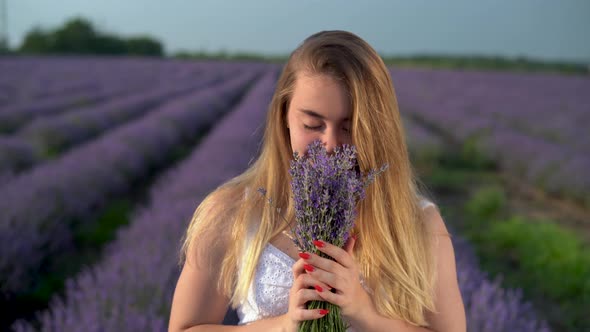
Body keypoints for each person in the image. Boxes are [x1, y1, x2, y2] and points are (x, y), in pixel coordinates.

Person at [168, 30, 466, 332]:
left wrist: (365, 314)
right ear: (283, 116)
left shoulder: (416, 221)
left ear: (378, 129)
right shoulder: (231, 212)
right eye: (312, 124)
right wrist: (284, 325)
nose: (331, 144)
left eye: (350, 128)